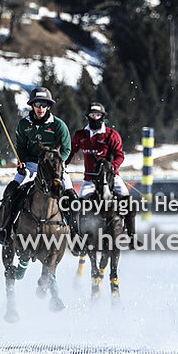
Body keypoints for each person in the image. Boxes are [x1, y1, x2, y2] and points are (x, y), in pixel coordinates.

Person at [0, 86, 75, 245]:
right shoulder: (24, 124)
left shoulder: (58, 125)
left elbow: (67, 149)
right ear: (32, 106)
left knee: (71, 196)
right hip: (31, 166)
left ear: (49, 106)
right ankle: (5, 231)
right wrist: (21, 161)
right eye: (37, 105)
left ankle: (75, 233)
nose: (40, 108)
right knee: (10, 192)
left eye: (44, 105)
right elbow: (21, 147)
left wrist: (57, 163)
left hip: (54, 168)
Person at [66, 102, 138, 247]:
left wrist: (112, 167)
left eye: (98, 115)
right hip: (90, 179)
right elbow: (71, 151)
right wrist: (63, 163)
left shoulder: (111, 135)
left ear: (103, 117)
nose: (95, 118)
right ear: (88, 117)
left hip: (111, 177)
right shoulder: (81, 135)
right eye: (92, 115)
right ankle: (77, 237)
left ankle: (131, 236)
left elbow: (120, 155)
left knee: (128, 201)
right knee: (78, 207)